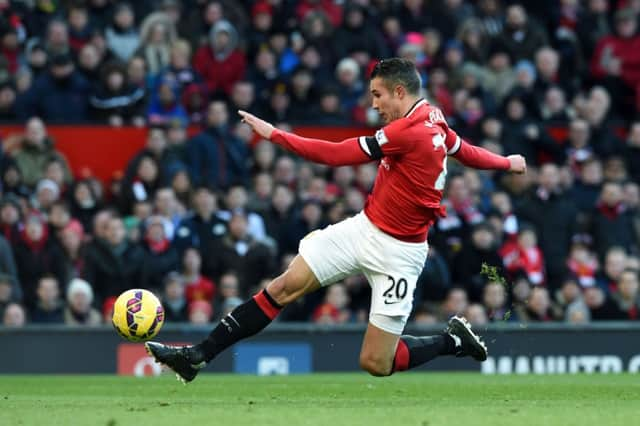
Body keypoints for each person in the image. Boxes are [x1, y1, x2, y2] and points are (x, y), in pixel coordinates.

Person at [146, 58, 526, 382]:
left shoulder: (406, 131)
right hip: (363, 229)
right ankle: (197, 357)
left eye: (377, 95)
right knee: (283, 286)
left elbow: (335, 155)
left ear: (399, 92)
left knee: (376, 363)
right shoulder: (433, 118)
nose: (373, 104)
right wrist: (506, 162)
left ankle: (451, 341)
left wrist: (276, 135)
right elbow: (465, 150)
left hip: (401, 254)